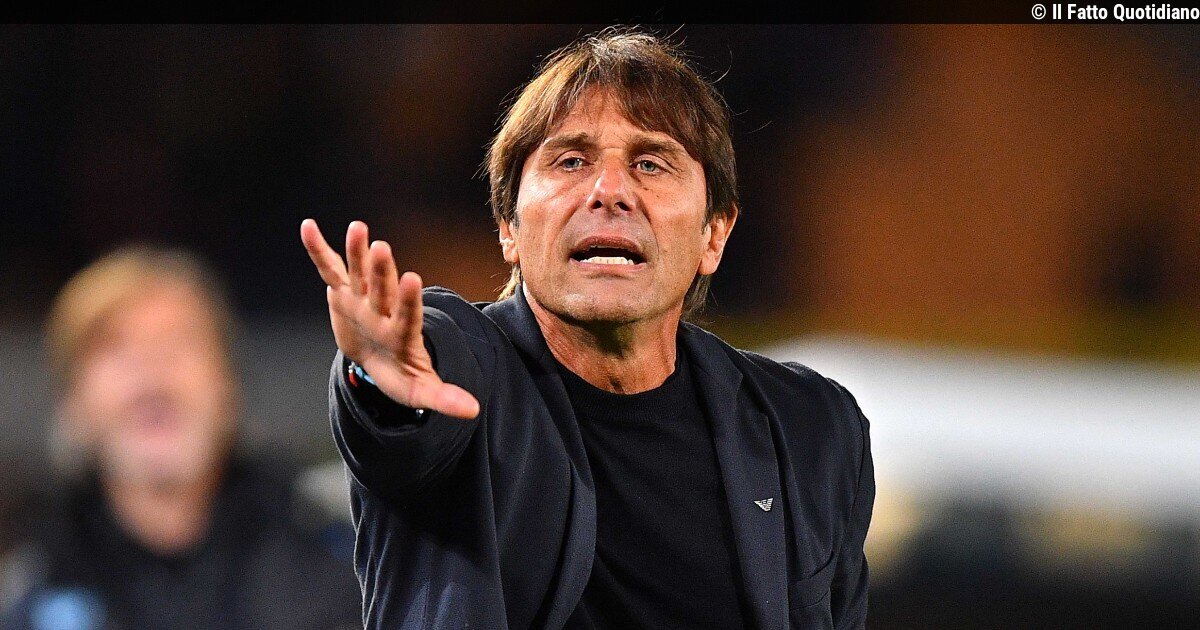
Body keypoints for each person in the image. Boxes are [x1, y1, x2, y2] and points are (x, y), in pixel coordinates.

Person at [301, 28, 874, 629]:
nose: (610, 191)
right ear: (509, 228)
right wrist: (379, 381)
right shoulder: (467, 371)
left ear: (715, 234)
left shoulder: (811, 430)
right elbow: (421, 383)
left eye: (650, 163)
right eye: (571, 161)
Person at [0, 246, 361, 630]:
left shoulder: (342, 556)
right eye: (116, 349)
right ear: (72, 404)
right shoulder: (30, 592)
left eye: (179, 341)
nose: (152, 370)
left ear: (229, 388)